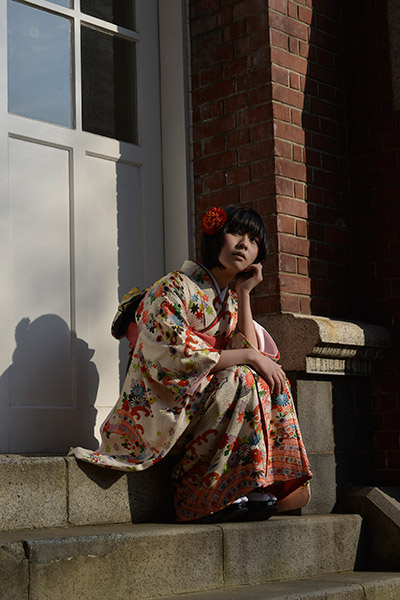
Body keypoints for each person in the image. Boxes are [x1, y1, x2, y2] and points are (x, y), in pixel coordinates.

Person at [69, 206, 312, 523]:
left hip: (199, 405)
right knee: (242, 376)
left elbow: (250, 353)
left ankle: (244, 481)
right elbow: (177, 355)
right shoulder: (173, 286)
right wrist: (252, 357)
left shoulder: (230, 302)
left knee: (261, 379)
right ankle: (197, 493)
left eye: (253, 241)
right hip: (161, 408)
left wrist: (244, 294)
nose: (243, 244)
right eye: (236, 233)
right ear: (216, 236)